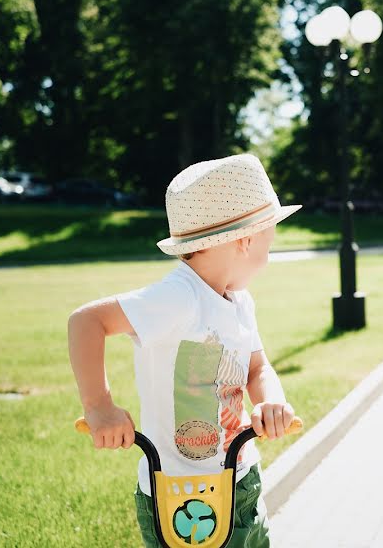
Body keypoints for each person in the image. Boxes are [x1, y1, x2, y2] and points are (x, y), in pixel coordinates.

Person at [68, 154, 300, 547]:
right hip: (181, 498)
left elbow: (257, 369)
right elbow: (86, 322)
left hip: (239, 479)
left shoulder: (240, 303)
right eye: (268, 244)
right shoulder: (179, 297)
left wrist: (270, 402)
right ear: (245, 240)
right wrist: (99, 406)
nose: (267, 258)